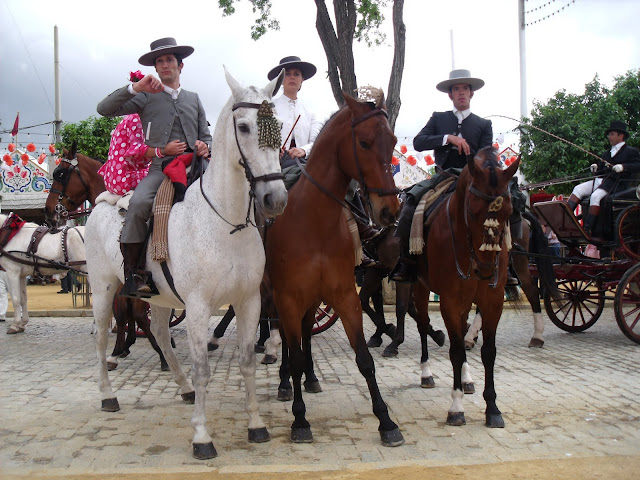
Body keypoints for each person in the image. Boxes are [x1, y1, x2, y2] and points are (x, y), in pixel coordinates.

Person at [97, 37, 212, 298]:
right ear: (156, 68)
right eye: (159, 61)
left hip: (197, 168)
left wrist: (206, 147)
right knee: (138, 205)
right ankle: (134, 274)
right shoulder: (146, 98)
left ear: (180, 66)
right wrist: (135, 87)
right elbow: (103, 109)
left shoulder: (194, 99)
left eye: (169, 60)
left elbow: (206, 135)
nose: (164, 65)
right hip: (160, 169)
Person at [390, 69, 493, 282]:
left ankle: (507, 263)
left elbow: (488, 155)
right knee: (410, 202)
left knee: (505, 204)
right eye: (457, 89)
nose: (461, 92)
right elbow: (419, 142)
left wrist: (478, 163)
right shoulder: (439, 118)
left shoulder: (484, 124)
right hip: (444, 177)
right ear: (450, 94)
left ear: (471, 93)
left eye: (465, 88)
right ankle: (406, 263)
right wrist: (448, 138)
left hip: (473, 178)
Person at [566, 120, 640, 236]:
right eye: (609, 134)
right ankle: (566, 220)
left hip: (616, 184)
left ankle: (588, 228)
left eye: (612, 134)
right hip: (602, 181)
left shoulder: (631, 151)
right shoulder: (607, 153)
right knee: (578, 189)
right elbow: (601, 169)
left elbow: (637, 165)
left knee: (595, 196)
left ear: (621, 135)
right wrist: (596, 167)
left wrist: (623, 167)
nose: (609, 137)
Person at [267, 56, 322, 168]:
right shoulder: (268, 107)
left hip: (303, 166)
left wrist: (303, 150)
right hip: (271, 166)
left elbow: (317, 142)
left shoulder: (310, 113)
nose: (292, 77)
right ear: (281, 79)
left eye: (296, 74)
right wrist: (274, 150)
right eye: (287, 74)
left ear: (302, 79)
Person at [98, 112, 151, 195]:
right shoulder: (136, 118)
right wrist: (163, 151)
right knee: (163, 176)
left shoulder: (128, 118)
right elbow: (138, 151)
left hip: (113, 179)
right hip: (126, 180)